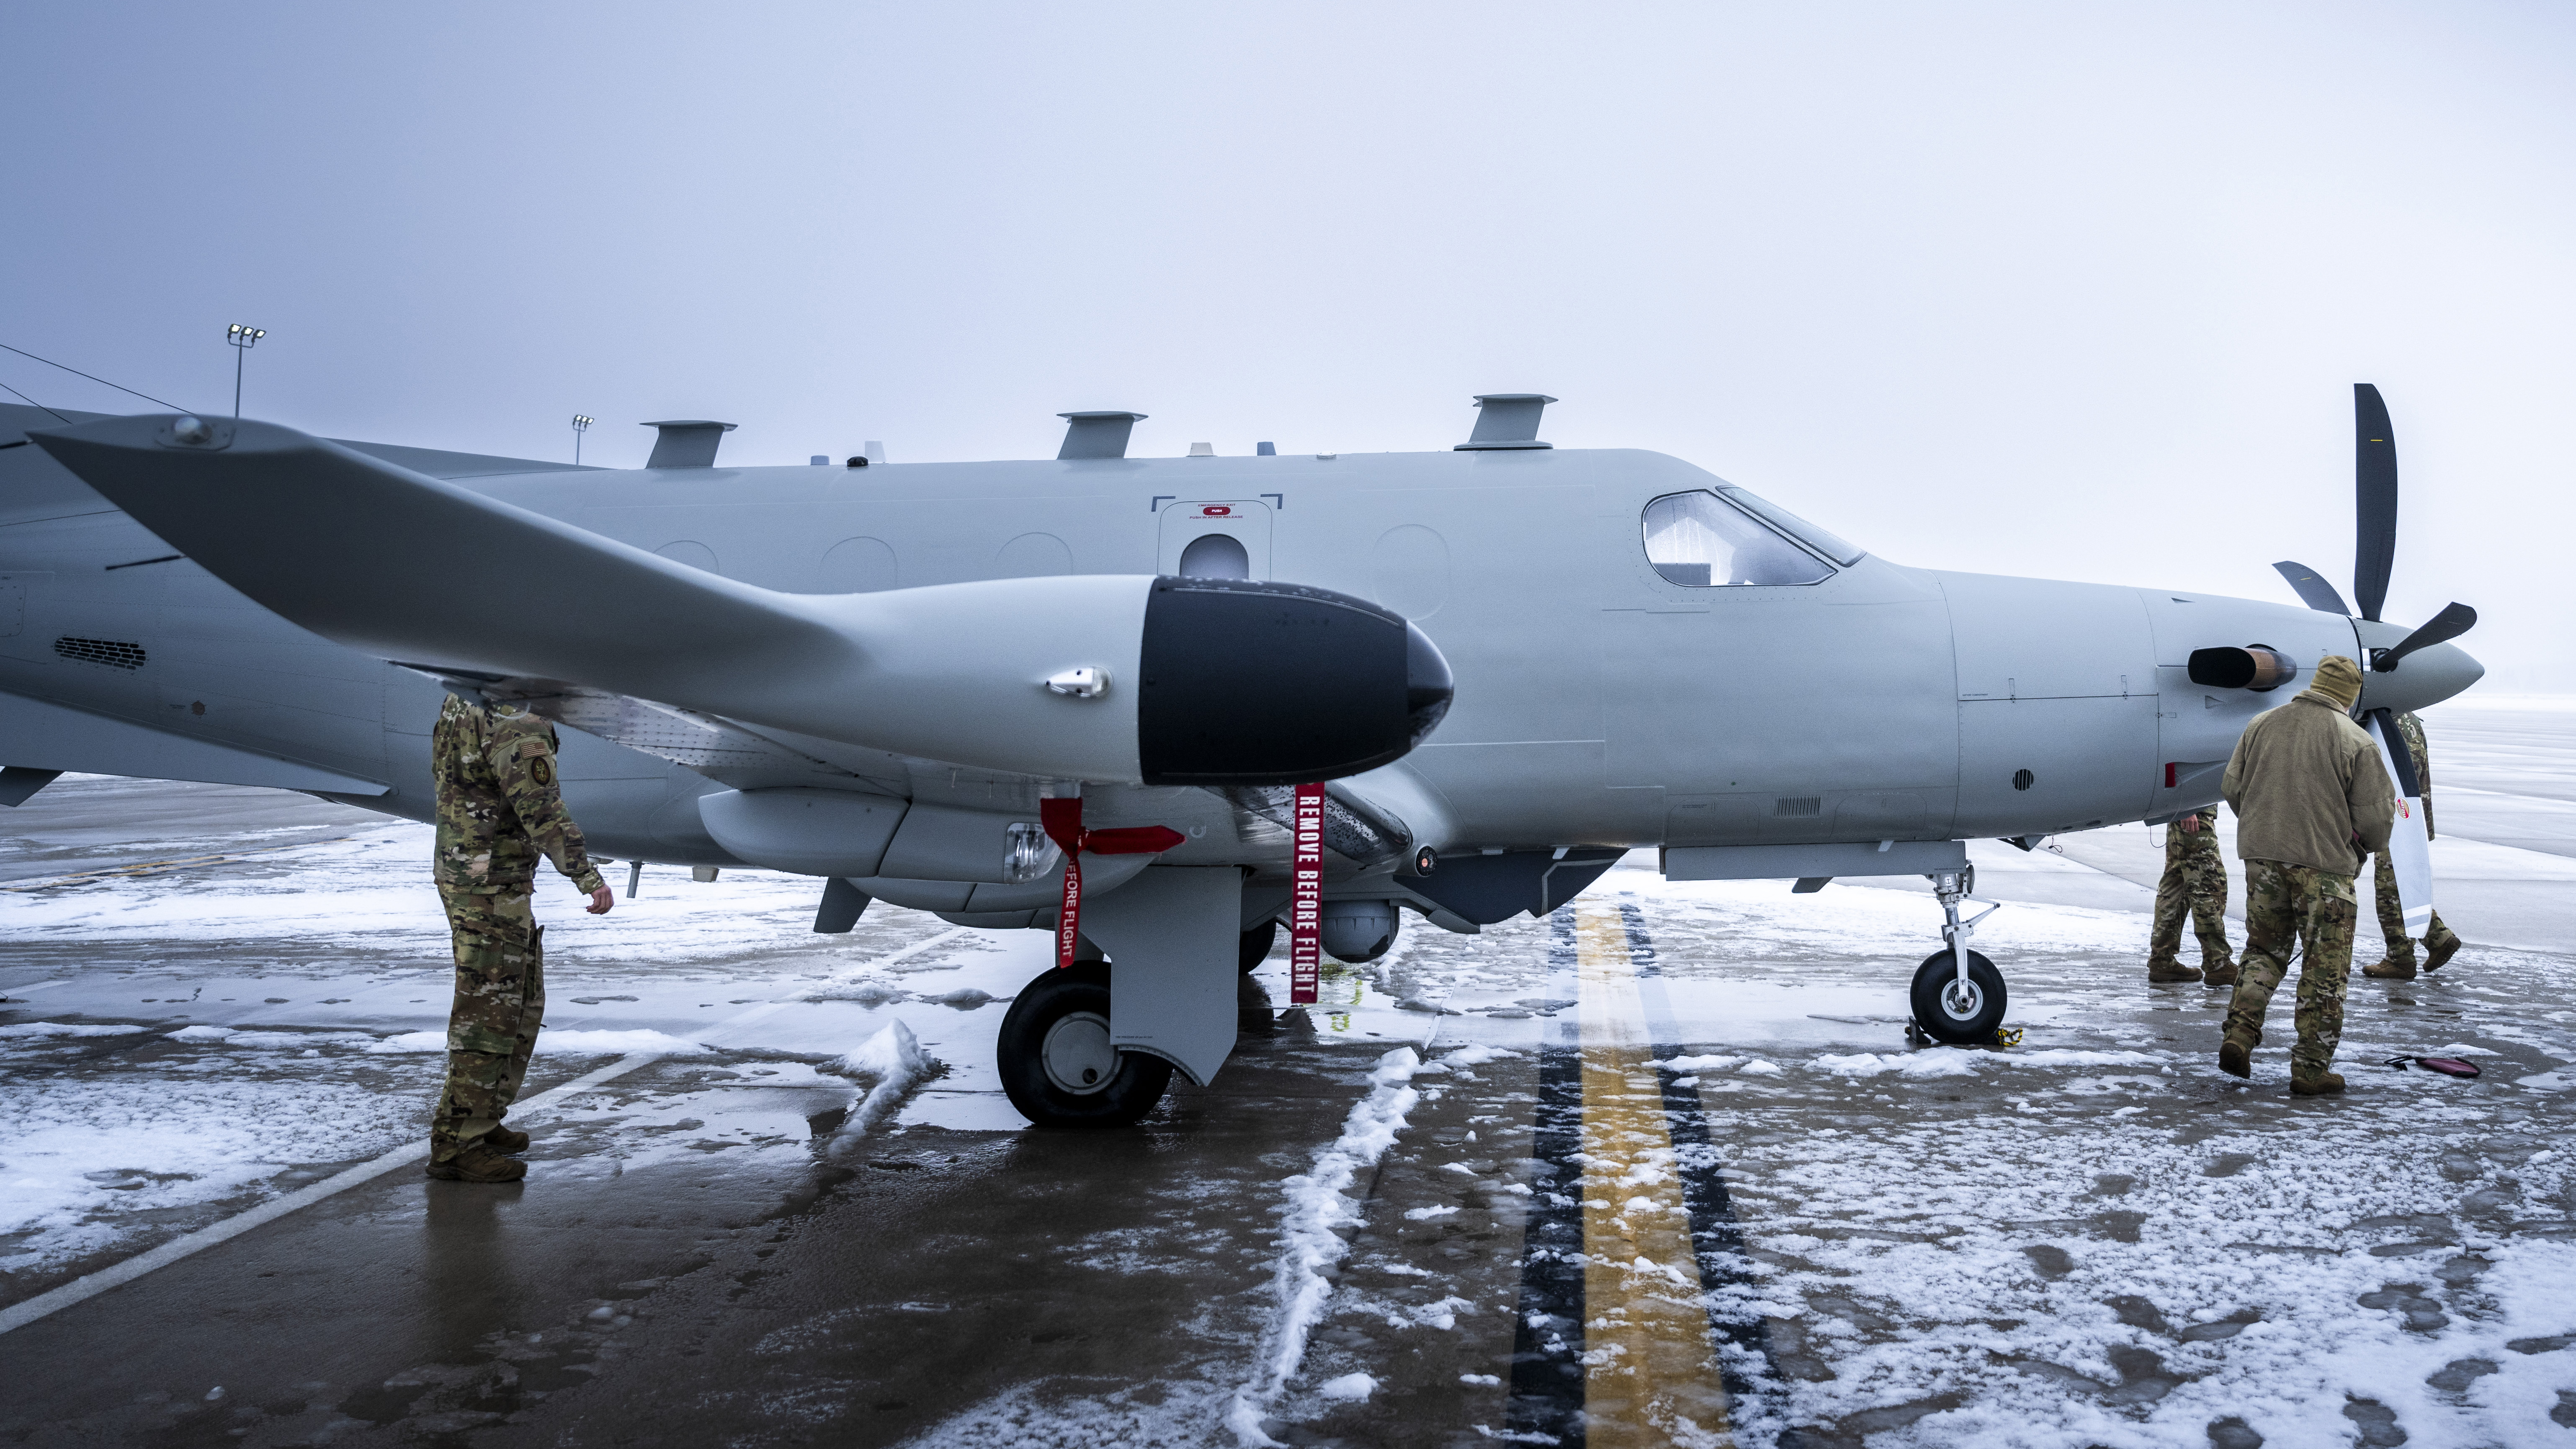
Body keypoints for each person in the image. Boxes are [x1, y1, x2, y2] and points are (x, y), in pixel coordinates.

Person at [426, 692, 611, 1183]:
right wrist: (588, 877)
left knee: (518, 1003)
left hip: (477, 873)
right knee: (490, 1017)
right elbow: (542, 810)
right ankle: (457, 1145)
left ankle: (480, 1121)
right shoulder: (518, 722)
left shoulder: (463, 698)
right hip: (489, 886)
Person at [2216, 655, 2394, 1096]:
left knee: (2263, 949)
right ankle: (2310, 1069)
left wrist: (2264, 827)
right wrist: (2354, 845)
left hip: (2261, 858)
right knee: (2324, 967)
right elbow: (2376, 824)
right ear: (2348, 696)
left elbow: (2232, 788)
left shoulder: (2260, 724)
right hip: (2324, 868)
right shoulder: (2354, 739)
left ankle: (2239, 1034)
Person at [2362, 709, 2463, 980]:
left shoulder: (2382, 722)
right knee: (2400, 881)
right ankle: (2434, 938)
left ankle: (2403, 957)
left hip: (2397, 815)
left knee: (2391, 889)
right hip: (2409, 815)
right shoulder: (2406, 717)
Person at [2146, 807, 2236, 985]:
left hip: (2184, 811)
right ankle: (2218, 963)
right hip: (2195, 812)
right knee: (2208, 885)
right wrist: (2188, 808)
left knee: (2176, 884)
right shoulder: (2190, 806)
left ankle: (2162, 960)